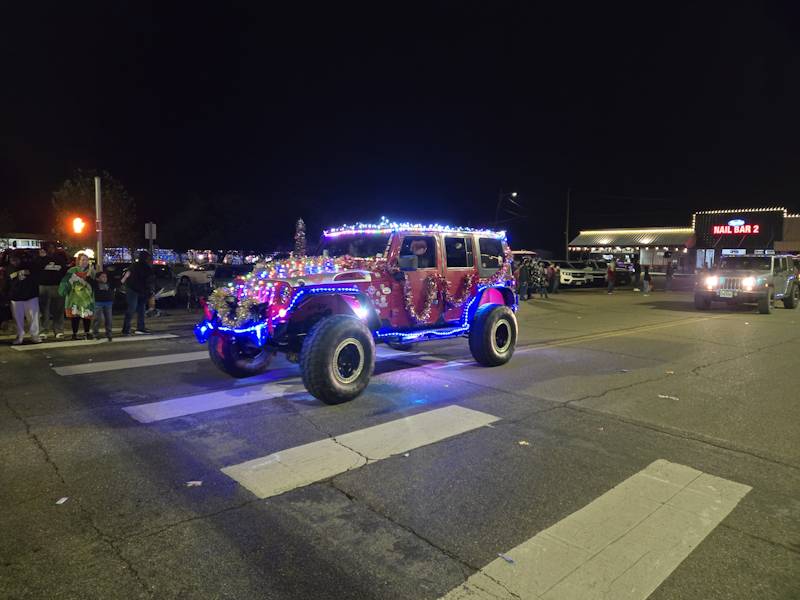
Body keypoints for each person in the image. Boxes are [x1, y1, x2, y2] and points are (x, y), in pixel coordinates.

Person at [7, 251, 41, 345]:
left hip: (31, 296)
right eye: (12, 260)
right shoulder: (9, 269)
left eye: (16, 259)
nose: (14, 261)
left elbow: (37, 276)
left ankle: (35, 335)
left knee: (33, 317)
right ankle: (20, 335)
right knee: (18, 319)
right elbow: (7, 283)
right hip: (16, 298)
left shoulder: (30, 266)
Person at [59, 253, 95, 340]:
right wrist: (63, 291)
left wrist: (90, 274)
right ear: (78, 261)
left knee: (87, 315)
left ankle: (87, 332)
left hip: (87, 297)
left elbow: (94, 283)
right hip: (74, 297)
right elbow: (66, 282)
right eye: (82, 260)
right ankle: (74, 333)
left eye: (86, 260)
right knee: (75, 316)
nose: (84, 262)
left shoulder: (92, 271)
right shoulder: (72, 271)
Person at [37, 242, 67, 339]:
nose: (51, 249)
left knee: (58, 310)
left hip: (57, 286)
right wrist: (41, 258)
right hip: (43, 287)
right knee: (44, 311)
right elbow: (35, 269)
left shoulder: (60, 259)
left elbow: (65, 272)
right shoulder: (40, 259)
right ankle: (43, 331)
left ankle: (58, 330)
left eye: (52, 247)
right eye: (48, 247)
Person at [121, 250, 155, 335]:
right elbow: (148, 280)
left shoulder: (135, 266)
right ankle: (134, 328)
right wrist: (150, 291)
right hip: (136, 290)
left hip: (135, 289)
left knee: (137, 309)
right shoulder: (144, 267)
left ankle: (130, 328)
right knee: (136, 309)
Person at [91, 271, 115, 341]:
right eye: (103, 277)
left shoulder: (109, 284)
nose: (105, 278)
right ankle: (95, 334)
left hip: (108, 303)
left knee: (109, 319)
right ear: (98, 278)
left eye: (105, 277)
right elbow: (88, 279)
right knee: (98, 319)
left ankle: (109, 334)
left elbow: (118, 283)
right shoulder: (95, 284)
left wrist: (125, 277)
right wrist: (90, 270)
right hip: (99, 303)